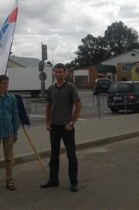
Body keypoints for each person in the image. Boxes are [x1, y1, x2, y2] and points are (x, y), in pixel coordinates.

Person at [41, 63, 82, 192]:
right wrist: (47, 123)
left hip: (67, 128)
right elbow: (48, 107)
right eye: (56, 72)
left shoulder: (71, 88)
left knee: (71, 155)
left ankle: (74, 182)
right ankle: (53, 180)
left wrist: (71, 123)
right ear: (53, 73)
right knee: (54, 156)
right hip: (54, 128)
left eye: (60, 72)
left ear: (65, 73)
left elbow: (78, 106)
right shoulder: (51, 89)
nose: (58, 74)